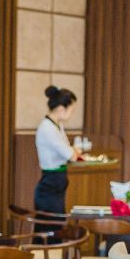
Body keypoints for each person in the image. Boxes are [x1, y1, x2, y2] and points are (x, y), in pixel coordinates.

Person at [33, 86, 80, 217]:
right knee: (51, 225)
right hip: (50, 185)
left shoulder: (57, 125)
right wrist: (75, 151)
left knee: (58, 224)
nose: (71, 114)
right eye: (71, 110)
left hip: (57, 184)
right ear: (61, 109)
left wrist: (74, 151)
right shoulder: (47, 128)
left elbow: (70, 151)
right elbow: (71, 155)